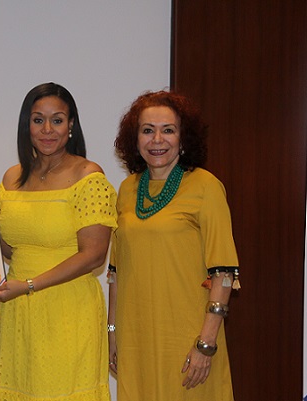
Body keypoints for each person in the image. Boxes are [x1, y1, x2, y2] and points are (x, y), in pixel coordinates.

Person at [0, 82, 117, 400]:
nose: (47, 129)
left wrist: (30, 284)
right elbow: (10, 248)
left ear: (71, 126)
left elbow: (94, 255)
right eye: (38, 119)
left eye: (57, 120)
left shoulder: (87, 175)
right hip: (19, 310)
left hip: (67, 306)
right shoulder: (11, 178)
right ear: (26, 124)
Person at [107, 90, 240, 400]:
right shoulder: (127, 190)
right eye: (147, 130)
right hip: (136, 339)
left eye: (168, 130)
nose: (157, 140)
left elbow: (223, 272)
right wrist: (112, 333)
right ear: (135, 138)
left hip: (187, 340)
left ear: (183, 138)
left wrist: (206, 344)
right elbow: (116, 271)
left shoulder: (205, 186)